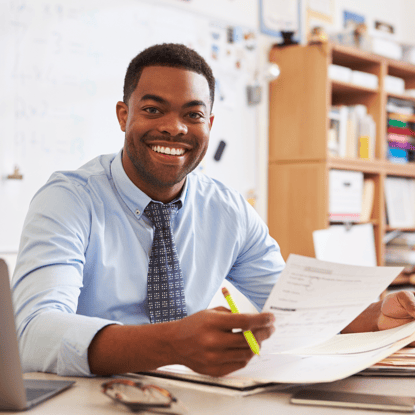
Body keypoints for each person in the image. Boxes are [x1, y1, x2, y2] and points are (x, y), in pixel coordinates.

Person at [12, 43, 415, 379]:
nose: (175, 127)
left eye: (193, 114)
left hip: (196, 393)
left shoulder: (229, 210)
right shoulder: (68, 199)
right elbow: (32, 332)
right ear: (124, 115)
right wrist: (171, 342)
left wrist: (381, 313)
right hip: (90, 394)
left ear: (210, 123)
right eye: (153, 109)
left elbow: (294, 312)